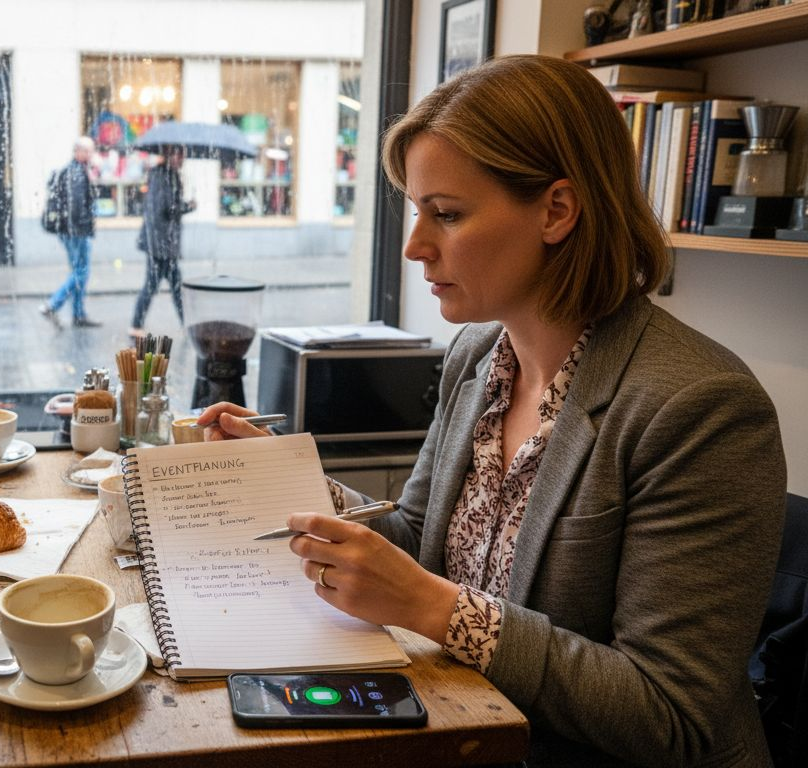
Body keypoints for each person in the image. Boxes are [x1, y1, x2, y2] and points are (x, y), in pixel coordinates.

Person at [198, 55, 785, 765]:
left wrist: (434, 608)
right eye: (418, 213)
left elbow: (669, 715)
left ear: (557, 211)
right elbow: (420, 538)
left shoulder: (700, 407)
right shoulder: (478, 356)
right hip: (466, 730)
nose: (416, 247)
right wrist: (285, 479)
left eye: (446, 214)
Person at [129, 147, 194, 338]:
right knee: (157, 285)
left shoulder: (162, 174)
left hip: (160, 242)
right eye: (180, 155)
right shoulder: (165, 176)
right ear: (171, 156)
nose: (182, 159)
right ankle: (136, 325)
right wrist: (189, 206)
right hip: (161, 244)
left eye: (184, 155)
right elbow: (168, 209)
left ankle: (186, 323)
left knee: (171, 285)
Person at [39, 136, 101, 329]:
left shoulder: (75, 171)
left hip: (71, 231)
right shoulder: (76, 173)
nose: (92, 154)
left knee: (78, 272)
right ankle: (52, 305)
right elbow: (76, 207)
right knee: (81, 273)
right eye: (89, 151)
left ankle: (79, 314)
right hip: (76, 232)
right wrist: (81, 229)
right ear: (79, 152)